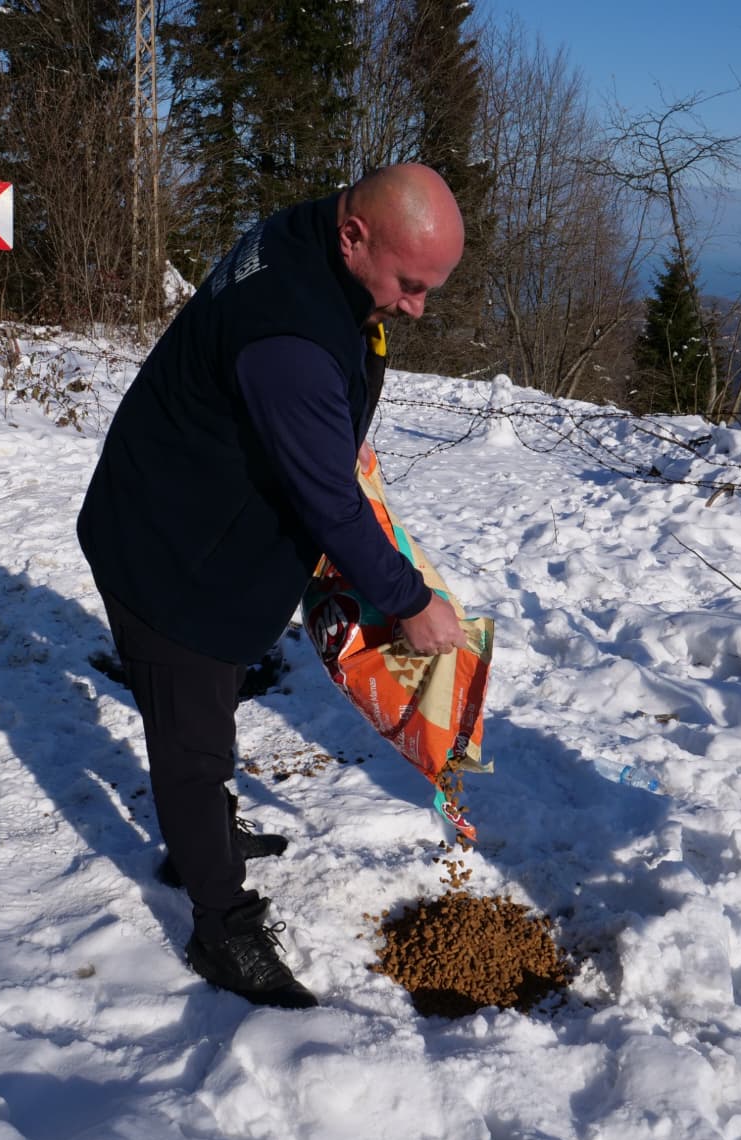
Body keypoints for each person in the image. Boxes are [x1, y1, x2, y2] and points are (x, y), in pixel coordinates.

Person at [78, 164, 465, 1008]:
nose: (415, 308)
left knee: (207, 712)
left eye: (429, 290)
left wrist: (331, 427)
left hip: (192, 509)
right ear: (355, 236)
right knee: (190, 743)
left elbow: (313, 413)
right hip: (166, 550)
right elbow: (329, 503)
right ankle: (219, 923)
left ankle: (206, 835)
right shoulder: (290, 333)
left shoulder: (313, 235)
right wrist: (409, 602)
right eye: (409, 285)